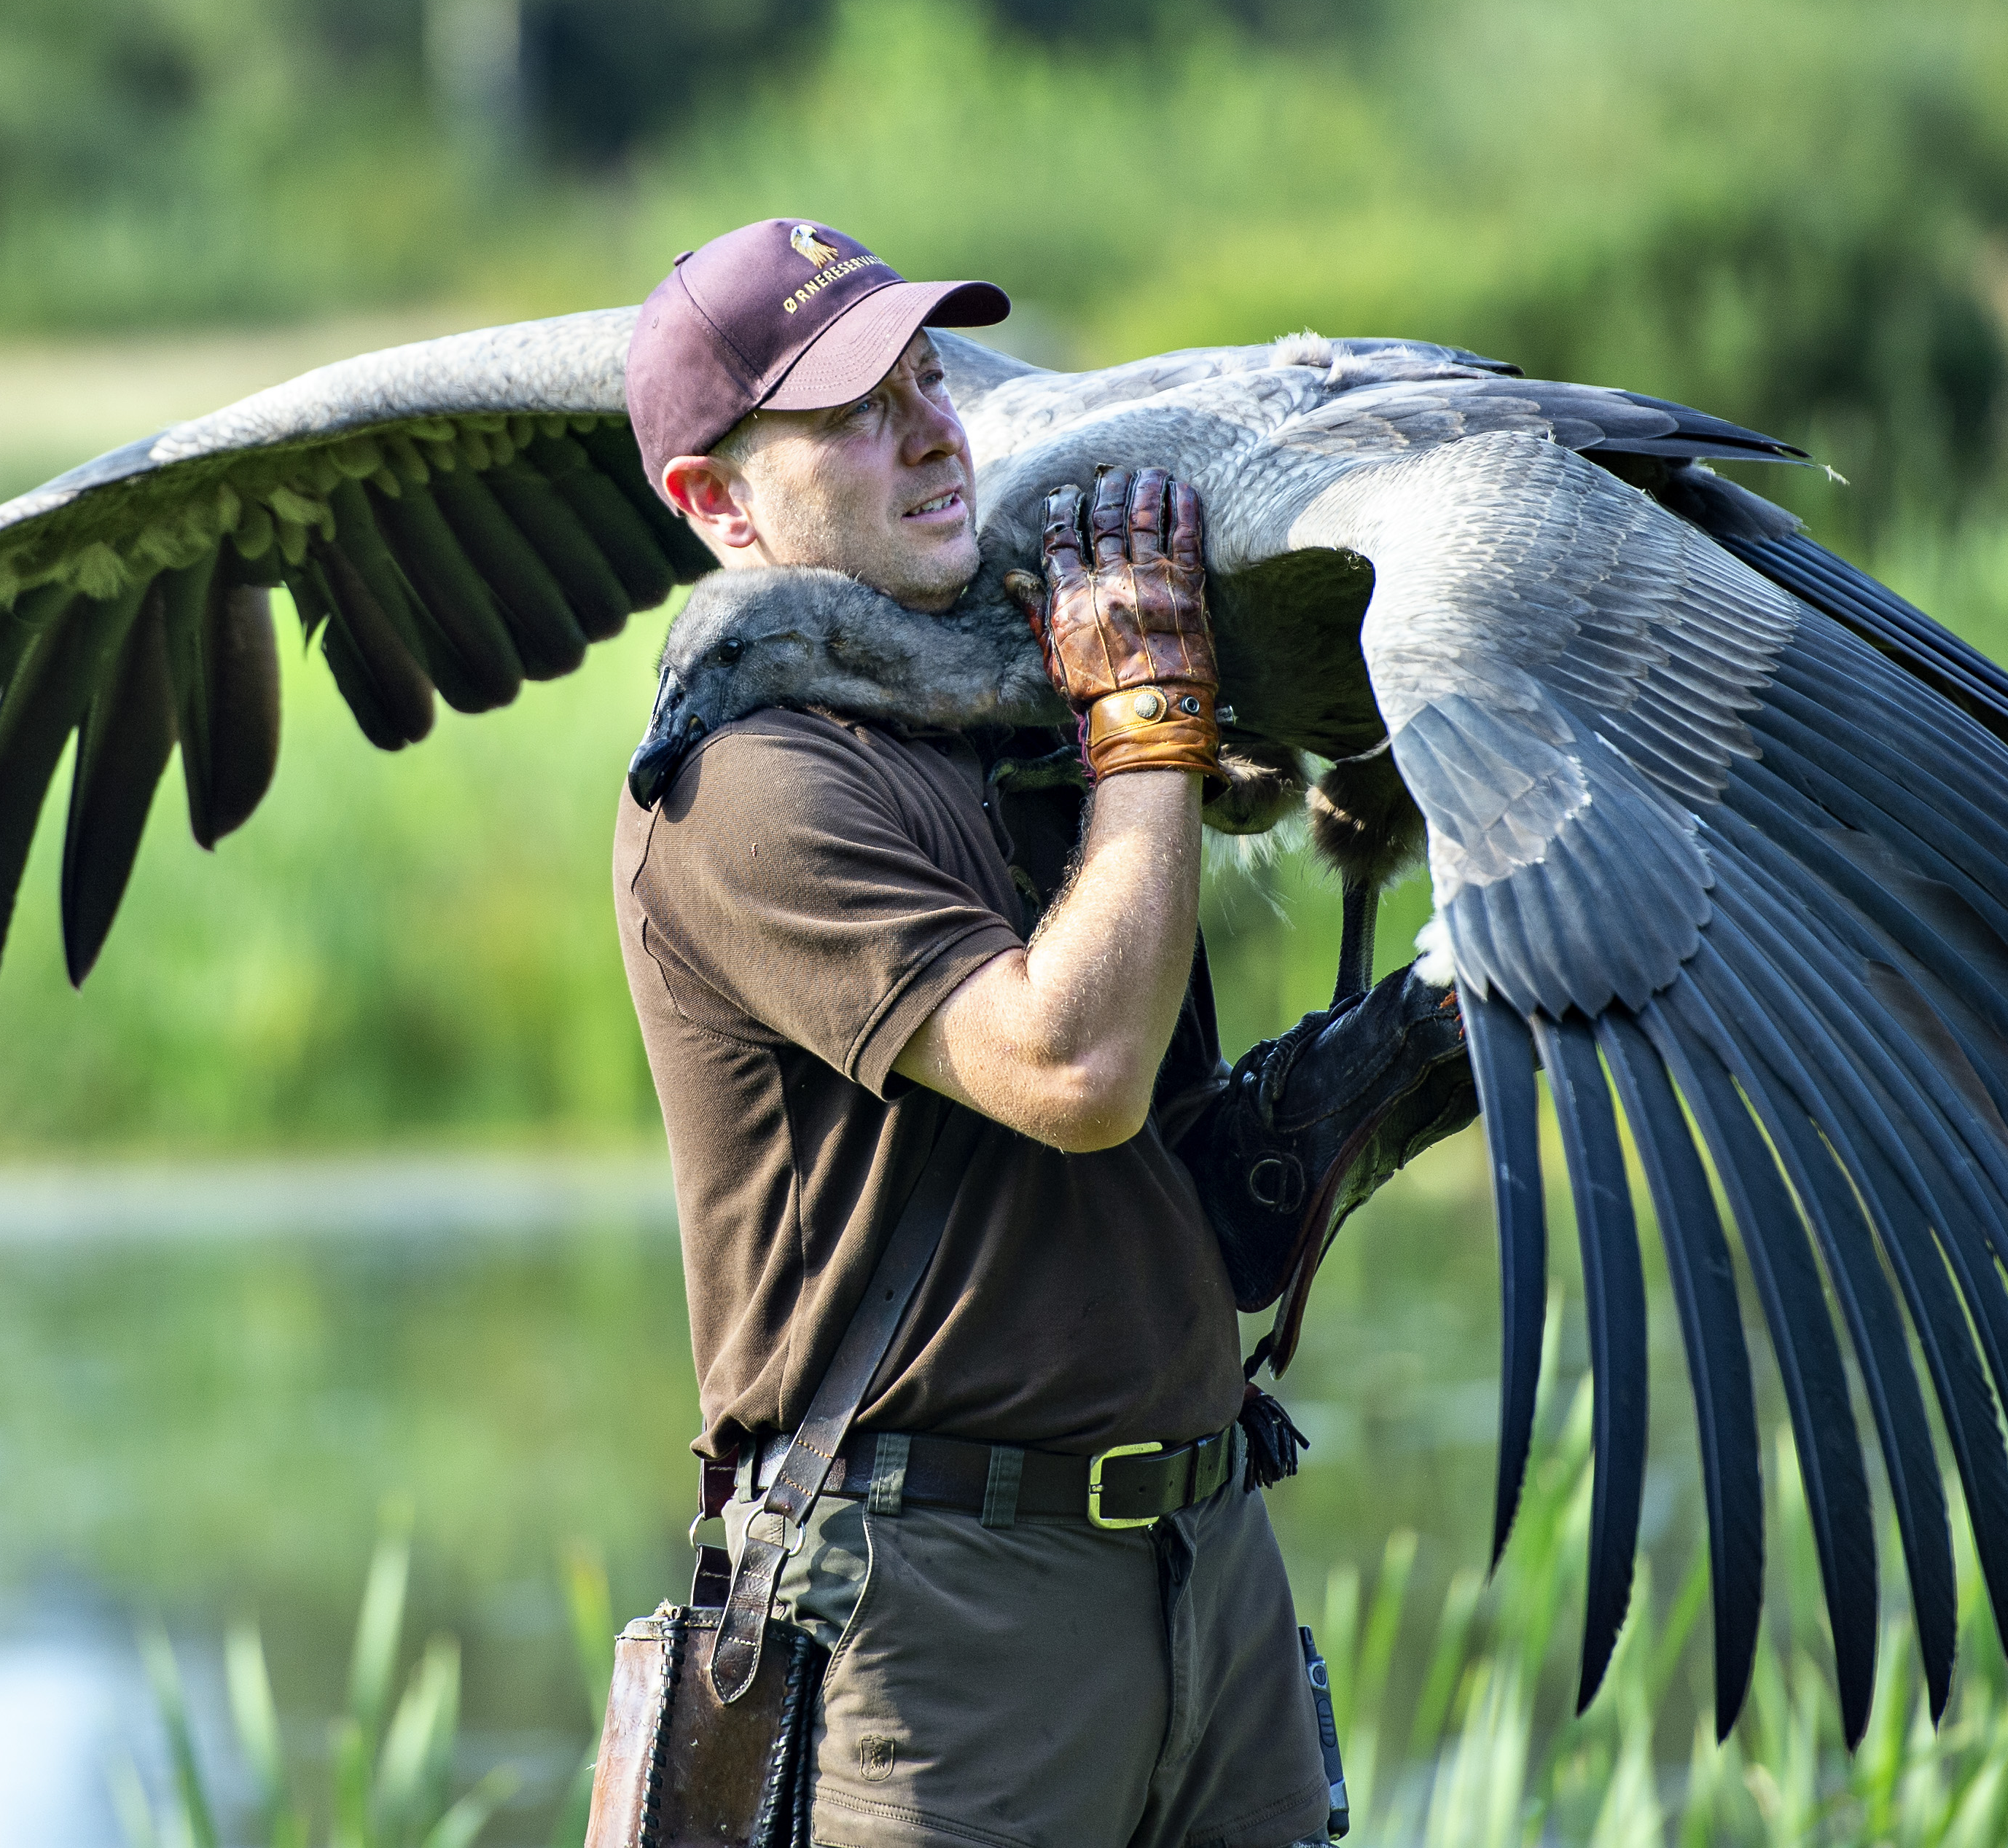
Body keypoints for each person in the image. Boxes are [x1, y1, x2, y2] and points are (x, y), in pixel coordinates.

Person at [612, 217, 1472, 1848]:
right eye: (855, 411)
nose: (935, 430)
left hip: (1207, 1565)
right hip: (943, 1627)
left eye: (930, 377)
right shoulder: (749, 787)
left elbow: (1161, 1156)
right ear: (718, 504)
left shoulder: (1031, 695)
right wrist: (1153, 725)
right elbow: (1072, 1072)